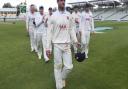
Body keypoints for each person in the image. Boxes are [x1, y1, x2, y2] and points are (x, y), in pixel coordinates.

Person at [46, 0, 79, 89]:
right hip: (56, 45)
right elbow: (49, 32)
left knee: (69, 67)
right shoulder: (53, 16)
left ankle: (61, 78)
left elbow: (71, 29)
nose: (63, 2)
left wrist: (75, 41)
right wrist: (48, 48)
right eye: (61, 0)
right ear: (57, 2)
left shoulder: (69, 15)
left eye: (64, 0)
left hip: (67, 45)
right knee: (57, 67)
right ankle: (59, 86)